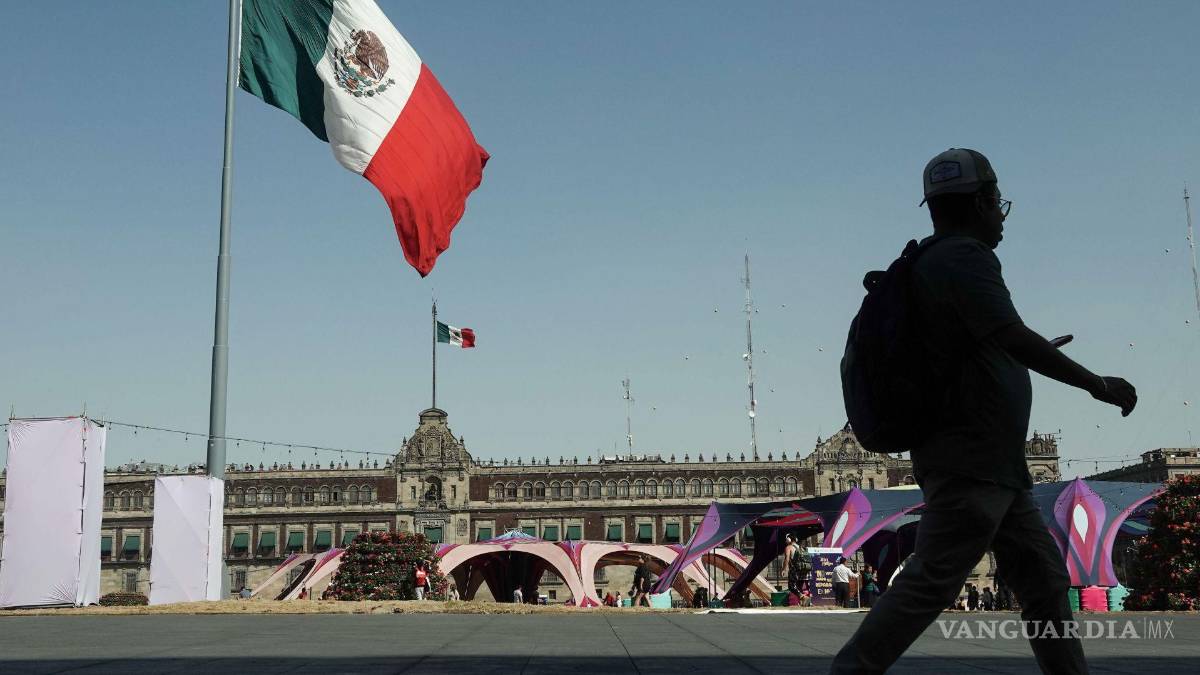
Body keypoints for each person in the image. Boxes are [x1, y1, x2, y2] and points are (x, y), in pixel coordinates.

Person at [831, 148, 1136, 675]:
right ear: (981, 202)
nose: (1001, 218)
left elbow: (986, 343)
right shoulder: (963, 258)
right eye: (999, 204)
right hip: (971, 459)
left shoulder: (932, 262)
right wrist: (1095, 383)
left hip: (994, 465)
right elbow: (1012, 334)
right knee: (933, 580)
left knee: (1043, 581)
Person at [781, 533, 811, 597]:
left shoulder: (788, 547)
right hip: (805, 569)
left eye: (786, 539)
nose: (785, 541)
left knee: (791, 586)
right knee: (799, 587)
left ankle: (802, 597)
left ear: (789, 539)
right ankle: (803, 600)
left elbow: (787, 559)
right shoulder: (801, 547)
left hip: (795, 570)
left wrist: (784, 569)